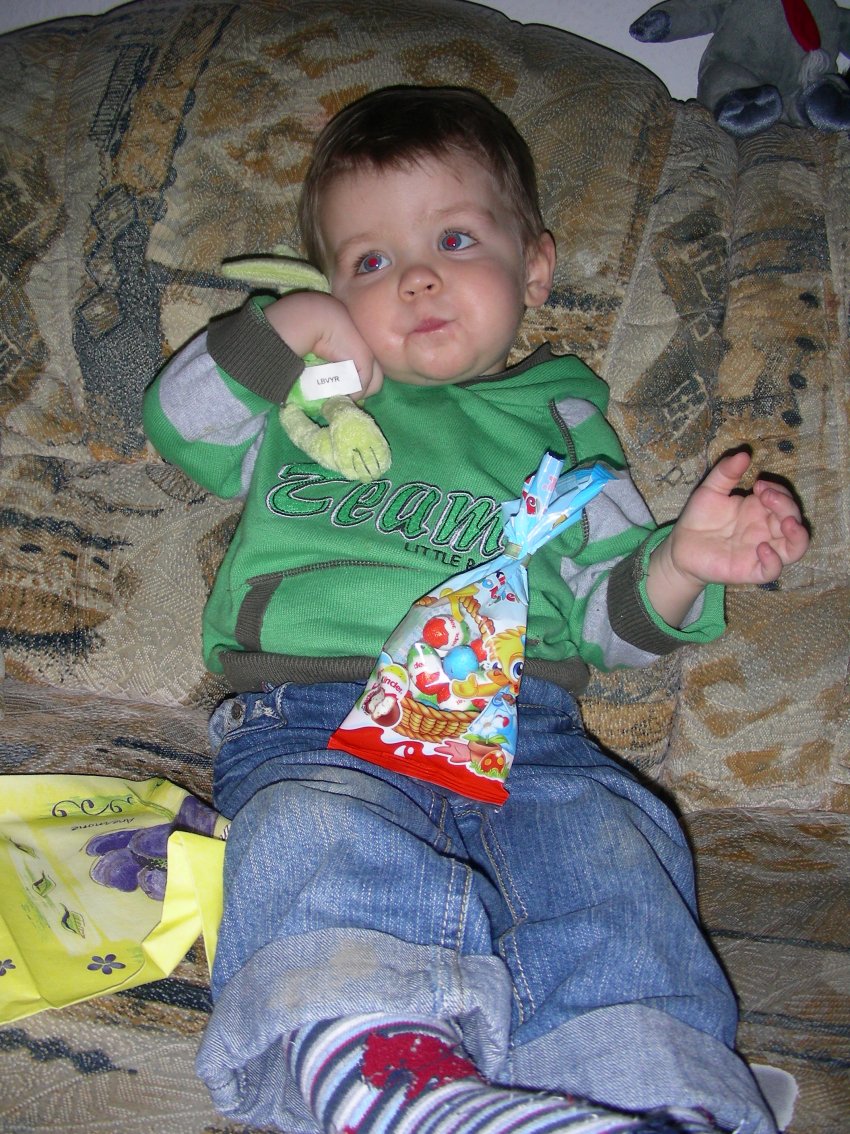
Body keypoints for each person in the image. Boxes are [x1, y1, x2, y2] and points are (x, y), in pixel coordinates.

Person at [143, 86, 809, 1134]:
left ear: (533, 268)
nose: (413, 278)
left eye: (453, 240)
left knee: (611, 852)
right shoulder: (311, 389)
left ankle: (645, 1090)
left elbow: (609, 619)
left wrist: (685, 561)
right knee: (309, 834)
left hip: (526, 726)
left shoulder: (564, 417)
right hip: (317, 717)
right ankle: (387, 1075)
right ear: (330, 288)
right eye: (368, 261)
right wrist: (288, 329)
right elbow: (181, 427)